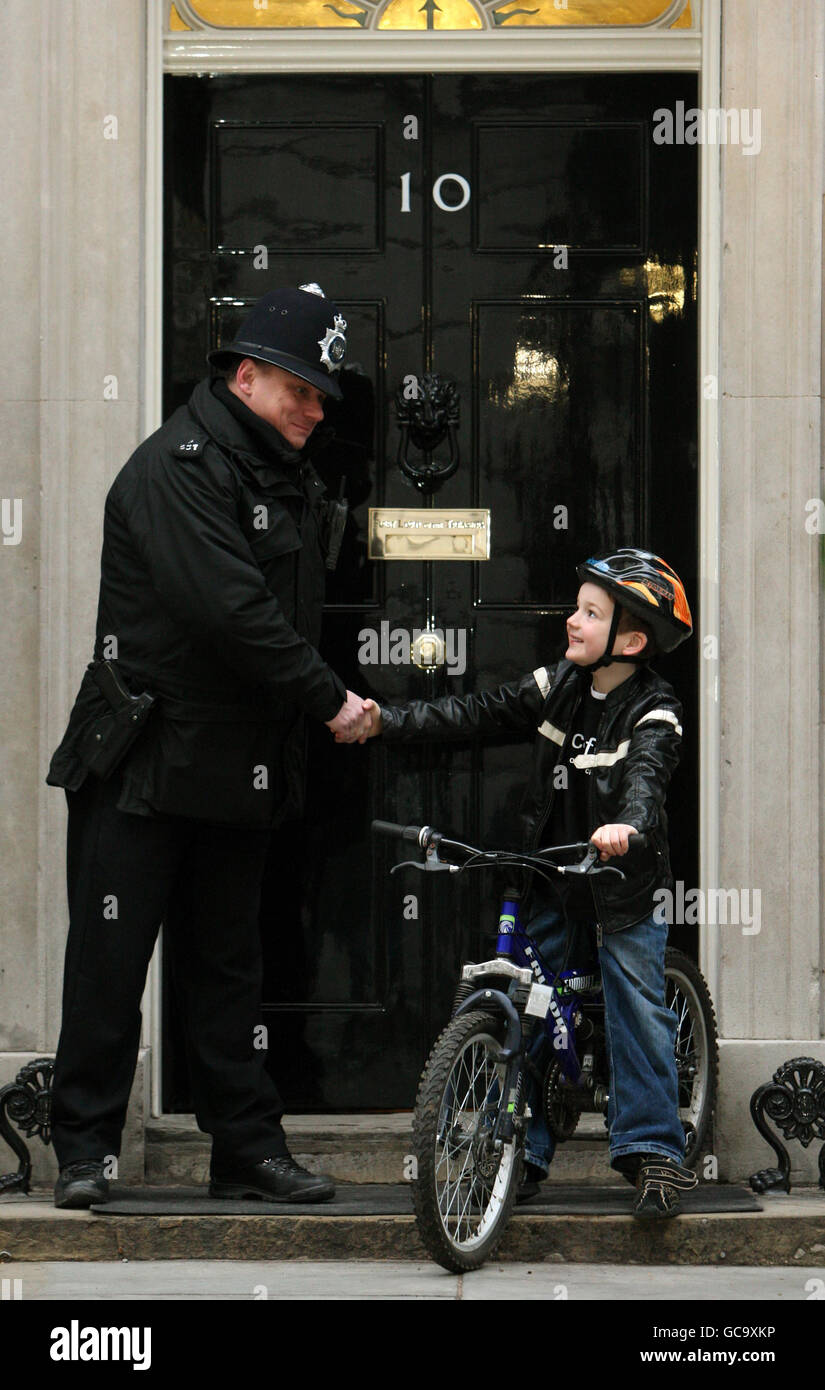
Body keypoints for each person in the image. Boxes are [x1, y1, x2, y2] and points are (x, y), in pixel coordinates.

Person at [46, 284, 373, 1209]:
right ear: (246, 375)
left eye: (322, 394)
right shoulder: (177, 468)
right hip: (144, 760)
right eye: (301, 390)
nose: (316, 408)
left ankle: (245, 1147)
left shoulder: (280, 467)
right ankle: (83, 1151)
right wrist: (331, 702)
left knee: (229, 967)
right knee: (111, 962)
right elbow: (234, 614)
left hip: (237, 762)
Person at [355, 548, 699, 1219]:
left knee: (635, 1003)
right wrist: (384, 722)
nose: (571, 620)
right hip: (550, 876)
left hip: (616, 889)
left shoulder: (653, 709)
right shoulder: (559, 685)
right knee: (531, 1005)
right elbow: (477, 713)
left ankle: (654, 1150)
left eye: (590, 614)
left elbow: (646, 781)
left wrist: (625, 826)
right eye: (576, 606)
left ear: (630, 640)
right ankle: (525, 1152)